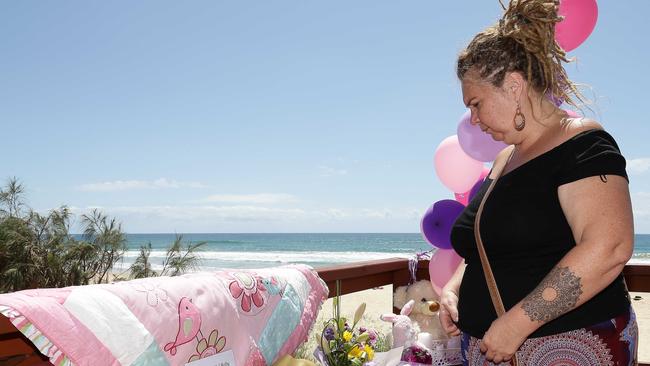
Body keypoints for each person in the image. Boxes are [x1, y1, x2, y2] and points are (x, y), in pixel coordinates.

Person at [438, 1, 638, 365]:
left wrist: (515, 325)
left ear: (514, 86)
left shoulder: (582, 143)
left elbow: (610, 247)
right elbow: (486, 247)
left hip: (568, 347)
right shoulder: (503, 160)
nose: (474, 118)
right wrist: (454, 289)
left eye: (477, 103)